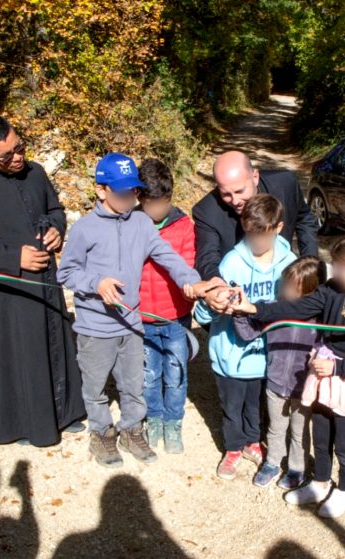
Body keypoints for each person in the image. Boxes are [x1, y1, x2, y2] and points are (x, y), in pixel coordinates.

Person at [57, 153, 212, 468]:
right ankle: (101, 434)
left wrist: (192, 281)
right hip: (95, 327)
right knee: (96, 385)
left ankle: (132, 430)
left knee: (133, 385)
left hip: (131, 324)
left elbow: (167, 255)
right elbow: (66, 273)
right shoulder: (85, 229)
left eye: (134, 192)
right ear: (101, 190)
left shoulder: (141, 222)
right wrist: (96, 282)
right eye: (122, 192)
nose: (131, 198)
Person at [230, 232, 345, 518]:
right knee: (320, 435)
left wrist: (339, 368)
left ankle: (344, 490)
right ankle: (319, 482)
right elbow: (295, 307)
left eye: (340, 266)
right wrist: (255, 309)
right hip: (321, 378)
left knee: (344, 443)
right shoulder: (333, 290)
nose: (334, 270)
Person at [0, 115, 85, 447]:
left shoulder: (36, 172)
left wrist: (57, 229)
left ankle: (63, 413)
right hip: (6, 290)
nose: (17, 158)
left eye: (19, 147)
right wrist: (14, 258)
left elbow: (55, 209)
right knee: (20, 354)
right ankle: (25, 425)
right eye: (6, 156)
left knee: (54, 344)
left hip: (45, 281)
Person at [194, 194, 298, 480]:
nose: (257, 242)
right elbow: (207, 310)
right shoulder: (231, 264)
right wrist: (209, 305)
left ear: (278, 228)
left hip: (265, 356)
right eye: (252, 235)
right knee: (232, 405)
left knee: (255, 404)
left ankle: (252, 441)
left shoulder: (289, 262)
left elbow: (296, 305)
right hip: (231, 355)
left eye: (262, 235)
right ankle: (232, 448)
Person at [232, 256, 325, 489]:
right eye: (287, 285)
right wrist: (239, 313)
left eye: (296, 288)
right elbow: (247, 333)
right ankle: (272, 462)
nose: (288, 292)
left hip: (303, 387)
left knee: (299, 430)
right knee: (275, 427)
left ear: (311, 290)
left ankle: (297, 468)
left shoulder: (321, 319)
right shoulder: (274, 309)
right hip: (275, 382)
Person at [193, 150, 318, 313]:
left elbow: (305, 219)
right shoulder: (206, 211)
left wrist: (311, 268)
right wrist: (218, 288)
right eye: (226, 195)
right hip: (237, 295)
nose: (235, 201)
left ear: (255, 177)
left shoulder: (285, 184)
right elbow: (207, 258)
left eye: (239, 191)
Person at [136, 159, 196, 454]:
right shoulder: (131, 224)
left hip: (175, 318)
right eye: (151, 203)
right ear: (139, 199)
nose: (157, 210)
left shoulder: (183, 226)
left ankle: (174, 421)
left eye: (163, 202)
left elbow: (187, 265)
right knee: (149, 375)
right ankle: (154, 418)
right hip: (142, 317)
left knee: (176, 375)